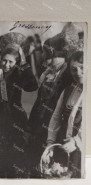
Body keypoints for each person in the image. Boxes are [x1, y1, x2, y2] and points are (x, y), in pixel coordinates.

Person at [28, 23, 80, 177]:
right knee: (38, 163)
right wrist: (30, 126)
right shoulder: (48, 74)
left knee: (55, 168)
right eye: (47, 56)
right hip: (41, 124)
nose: (48, 60)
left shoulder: (69, 74)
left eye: (53, 56)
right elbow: (38, 102)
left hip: (57, 127)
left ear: (63, 56)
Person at [0, 32, 38, 178]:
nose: (7, 65)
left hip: (15, 120)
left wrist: (24, 64)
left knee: (14, 161)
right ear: (0, 58)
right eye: (4, 60)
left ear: (16, 63)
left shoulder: (19, 74)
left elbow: (32, 86)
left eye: (11, 62)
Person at [43, 51, 84, 178]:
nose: (78, 73)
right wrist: (50, 143)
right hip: (63, 146)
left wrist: (77, 142)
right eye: (74, 69)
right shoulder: (68, 90)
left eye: (82, 67)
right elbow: (56, 117)